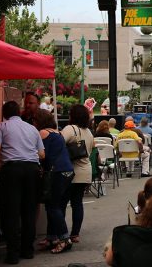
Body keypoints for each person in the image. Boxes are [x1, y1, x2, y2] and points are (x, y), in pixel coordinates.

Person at [0, 101, 45, 264]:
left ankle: (12, 254)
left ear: (4, 113)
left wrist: (0, 164)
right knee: (29, 211)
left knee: (11, 212)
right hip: (32, 170)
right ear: (19, 112)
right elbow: (41, 154)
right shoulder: (32, 129)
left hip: (12, 171)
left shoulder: (1, 126)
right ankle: (28, 250)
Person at [34, 109, 74, 254]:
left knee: (52, 206)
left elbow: (42, 155)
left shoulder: (43, 133)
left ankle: (64, 239)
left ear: (39, 121)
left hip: (56, 171)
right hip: (68, 170)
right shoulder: (58, 132)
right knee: (58, 205)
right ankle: (52, 237)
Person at [60, 104, 94, 245]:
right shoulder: (89, 132)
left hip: (70, 171)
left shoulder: (70, 129)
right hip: (85, 171)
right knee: (77, 203)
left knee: (61, 203)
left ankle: (61, 232)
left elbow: (58, 143)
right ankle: (75, 234)